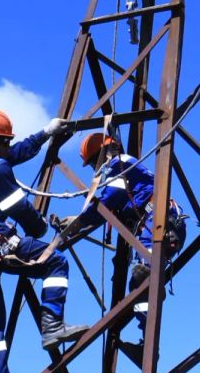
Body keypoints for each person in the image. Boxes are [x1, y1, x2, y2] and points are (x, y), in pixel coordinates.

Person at [0, 109, 89, 373]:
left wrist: (45, 134)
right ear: (1, 143)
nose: (10, 148)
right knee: (56, 262)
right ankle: (52, 326)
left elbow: (14, 155)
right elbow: (21, 209)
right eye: (8, 143)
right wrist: (40, 226)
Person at [51, 132, 187, 359]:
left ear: (104, 153)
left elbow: (109, 199)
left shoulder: (119, 163)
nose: (96, 168)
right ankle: (147, 344)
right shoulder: (122, 171)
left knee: (143, 277)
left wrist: (78, 220)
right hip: (158, 225)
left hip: (159, 223)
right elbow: (107, 211)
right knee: (140, 281)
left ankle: (149, 344)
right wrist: (77, 223)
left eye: (94, 162)